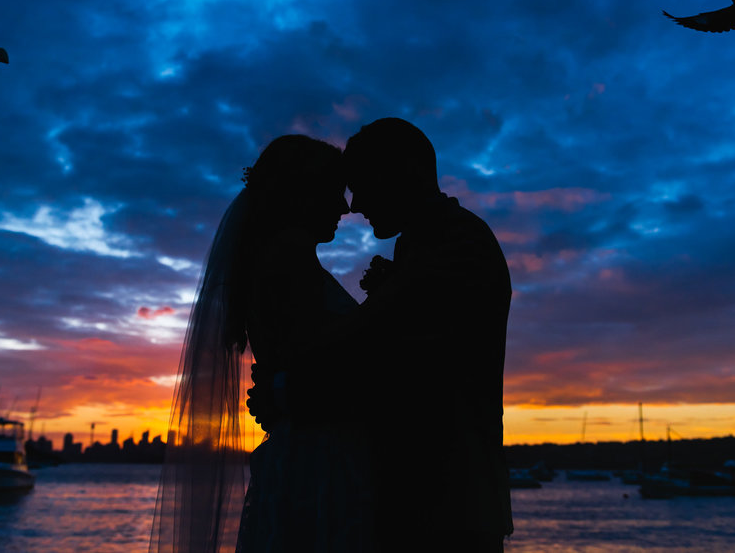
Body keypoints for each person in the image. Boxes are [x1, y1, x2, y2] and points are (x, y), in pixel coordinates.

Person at [252, 117, 513, 552]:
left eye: (360, 185)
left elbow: (415, 375)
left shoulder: (460, 245)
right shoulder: (419, 246)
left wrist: (289, 392)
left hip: (451, 504)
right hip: (409, 498)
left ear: (402, 173)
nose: (353, 205)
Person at [149, 134, 372, 553]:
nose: (344, 206)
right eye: (332, 192)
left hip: (307, 450)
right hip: (318, 459)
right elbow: (313, 358)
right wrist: (383, 310)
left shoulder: (283, 262)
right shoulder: (286, 265)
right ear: (300, 195)